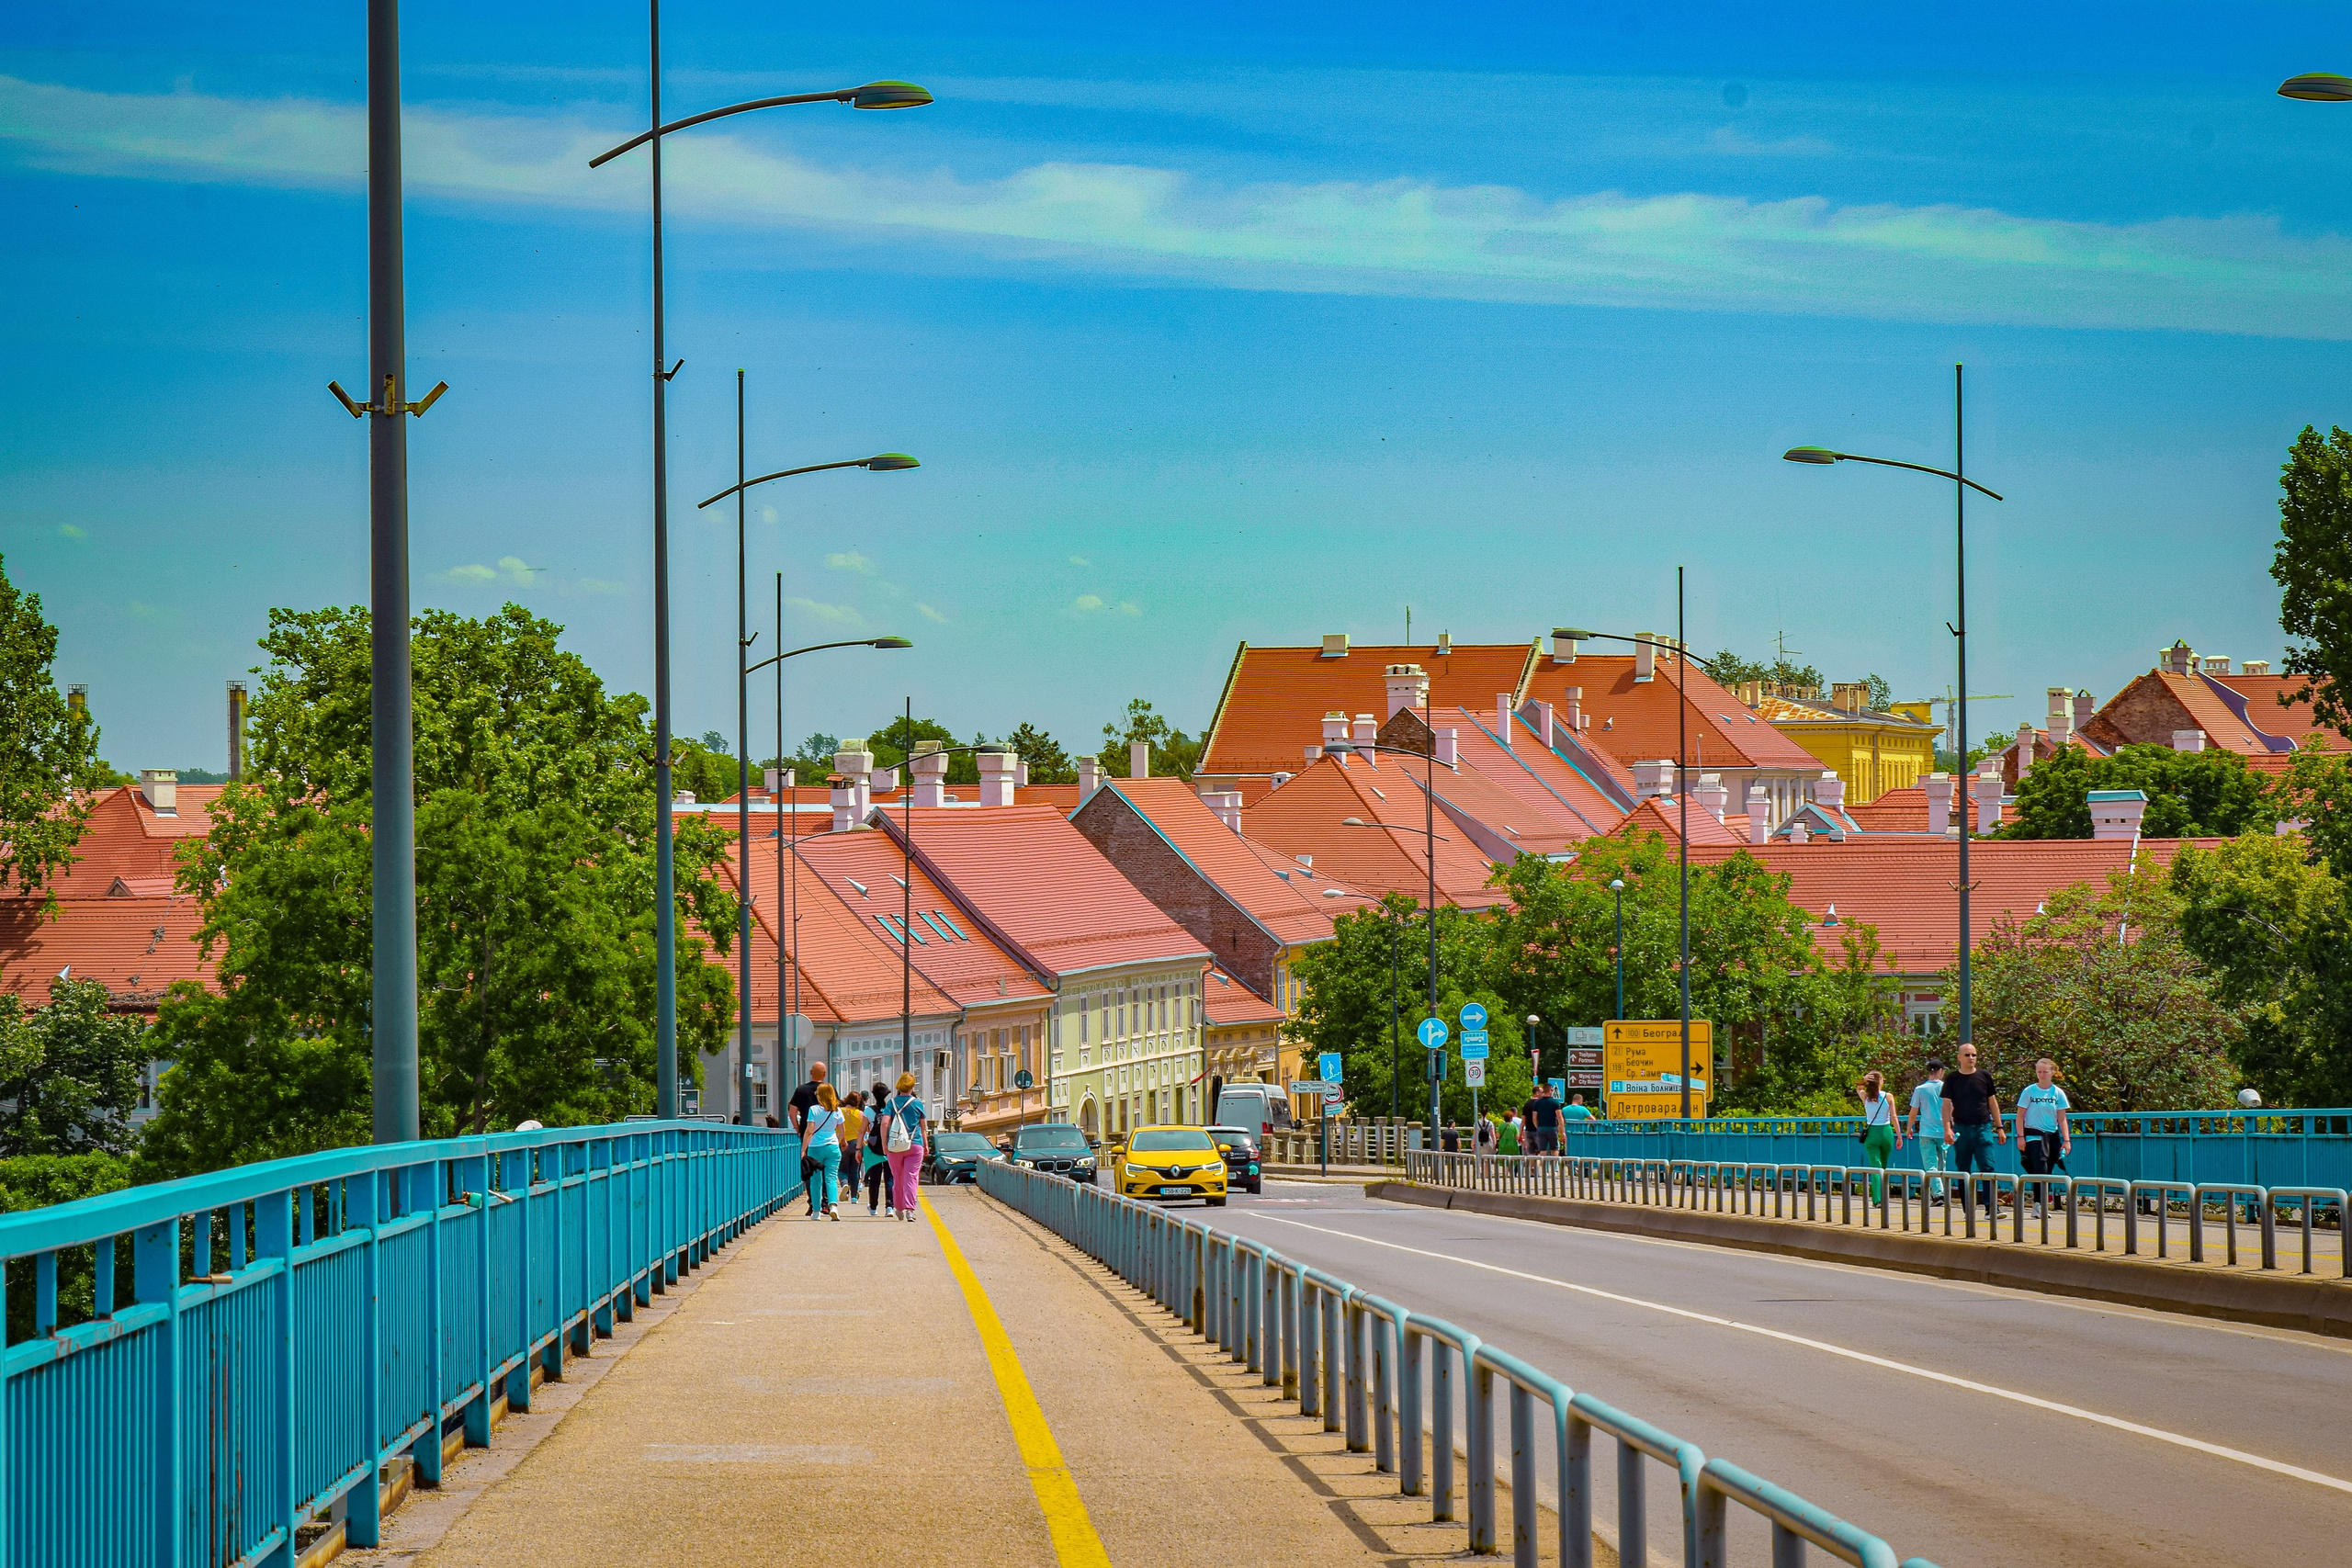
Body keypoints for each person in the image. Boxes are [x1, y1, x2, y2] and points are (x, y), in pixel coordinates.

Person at [1942, 1043, 2006, 1216]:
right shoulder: (1952, 1079)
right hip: (1961, 1129)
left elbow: (1992, 1102)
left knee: (1988, 1167)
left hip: (1983, 1128)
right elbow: (1946, 1105)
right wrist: (1947, 1129)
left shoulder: (1984, 1076)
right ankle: (1968, 1209)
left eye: (1974, 1055)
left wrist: (1999, 1127)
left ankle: (1991, 1208)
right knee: (1964, 1170)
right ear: (1959, 1057)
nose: (1971, 1058)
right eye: (1968, 1055)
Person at [2015, 1058, 2072, 1218]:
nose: (2042, 1075)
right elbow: (2020, 1116)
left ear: (2052, 1072)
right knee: (2039, 1168)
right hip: (2033, 1133)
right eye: (2039, 1071)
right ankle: (2039, 1205)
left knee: (2048, 1169)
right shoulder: (2029, 1091)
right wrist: (2020, 1136)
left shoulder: (2057, 1093)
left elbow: (2062, 1118)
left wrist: (2066, 1140)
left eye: (2045, 1071)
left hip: (2051, 1135)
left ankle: (2039, 1204)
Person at [881, 1072, 927, 1222]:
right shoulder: (917, 1103)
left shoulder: (891, 1103)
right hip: (915, 1144)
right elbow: (923, 1127)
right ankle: (910, 1210)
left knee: (898, 1178)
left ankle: (899, 1208)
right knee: (911, 1177)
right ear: (912, 1086)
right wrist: (926, 1144)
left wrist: (884, 1143)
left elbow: (885, 1123)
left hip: (894, 1146)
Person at [1903, 1059, 1949, 1204]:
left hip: (1926, 1131)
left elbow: (1913, 1111)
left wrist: (1909, 1128)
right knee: (1942, 1164)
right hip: (1943, 1131)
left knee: (1930, 1164)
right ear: (1941, 1071)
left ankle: (1938, 1193)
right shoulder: (1946, 1087)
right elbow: (1952, 1109)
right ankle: (1940, 1192)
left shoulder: (1920, 1089)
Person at [787, 1063, 830, 1215]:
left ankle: (813, 1202)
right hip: (826, 1135)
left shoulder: (801, 1090)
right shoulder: (829, 1089)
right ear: (824, 1074)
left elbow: (792, 1113)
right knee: (826, 1169)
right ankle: (826, 1202)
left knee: (809, 1168)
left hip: (807, 1134)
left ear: (811, 1073)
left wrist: (798, 1130)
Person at [800, 1083, 844, 1221]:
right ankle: (833, 1206)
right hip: (832, 1147)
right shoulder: (837, 1110)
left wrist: (803, 1150)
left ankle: (816, 1212)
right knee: (831, 1178)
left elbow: (809, 1131)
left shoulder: (813, 1110)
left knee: (815, 1181)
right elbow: (842, 1133)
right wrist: (835, 1140)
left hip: (815, 1148)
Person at [1856, 1071, 1894, 1202]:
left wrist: (1863, 1080)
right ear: (1880, 1082)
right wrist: (1899, 1136)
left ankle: (1878, 1199)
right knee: (1884, 1166)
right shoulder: (1888, 1096)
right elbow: (1894, 1117)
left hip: (1871, 1133)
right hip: (1886, 1132)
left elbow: (1858, 1088)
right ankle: (1884, 1196)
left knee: (1875, 1167)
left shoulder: (1865, 1097)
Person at [864, 1079, 896, 1214]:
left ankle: (873, 1207)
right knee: (889, 1178)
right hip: (890, 1146)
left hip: (874, 1147)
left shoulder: (869, 1110)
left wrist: (859, 1148)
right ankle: (889, 1206)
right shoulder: (891, 1108)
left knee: (874, 1179)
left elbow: (862, 1130)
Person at [1525, 1084, 1563, 1155]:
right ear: (1549, 1090)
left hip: (1541, 1128)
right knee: (1554, 1149)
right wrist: (1562, 1130)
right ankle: (1554, 1165)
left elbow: (1534, 1117)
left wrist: (1538, 1126)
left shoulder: (1537, 1103)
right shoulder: (1555, 1103)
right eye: (1552, 1090)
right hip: (1552, 1128)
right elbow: (1559, 1117)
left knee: (1542, 1150)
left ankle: (1543, 1166)